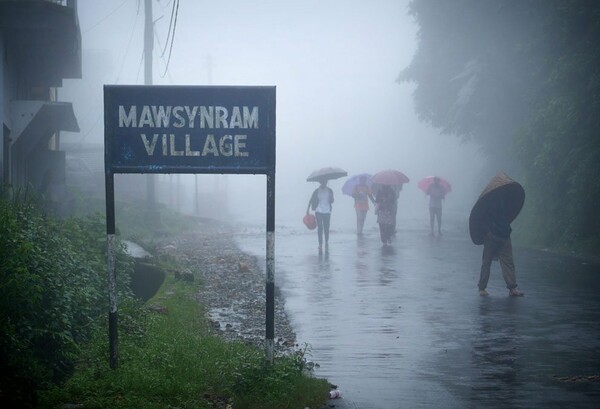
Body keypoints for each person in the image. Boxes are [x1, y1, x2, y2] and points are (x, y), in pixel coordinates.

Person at [478, 193, 524, 297]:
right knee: (487, 261)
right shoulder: (487, 202)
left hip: (504, 234)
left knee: (507, 261)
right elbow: (481, 219)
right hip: (492, 235)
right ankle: (482, 287)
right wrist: (488, 232)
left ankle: (512, 288)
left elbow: (509, 215)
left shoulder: (507, 200)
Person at [307, 179, 334, 250]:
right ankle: (320, 243)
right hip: (318, 210)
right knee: (320, 227)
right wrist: (307, 210)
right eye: (323, 182)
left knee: (326, 227)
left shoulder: (330, 190)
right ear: (320, 182)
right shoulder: (317, 191)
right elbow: (311, 200)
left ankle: (326, 241)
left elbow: (332, 201)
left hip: (327, 211)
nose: (324, 183)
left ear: (326, 182)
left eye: (325, 182)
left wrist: (331, 197)